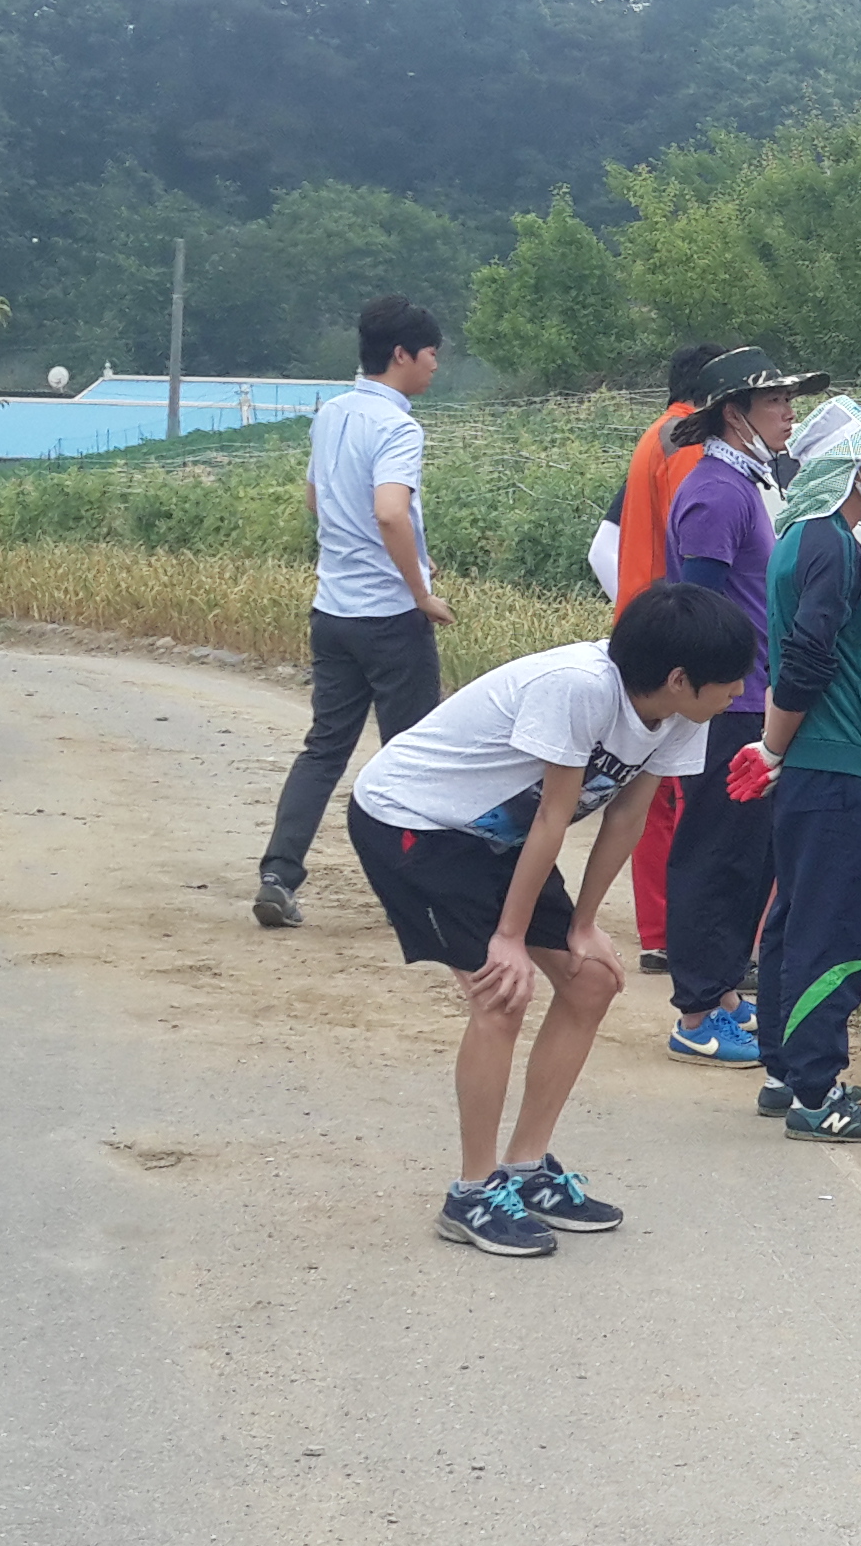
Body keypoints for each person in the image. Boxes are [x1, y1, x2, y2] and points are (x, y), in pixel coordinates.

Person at [343, 580, 757, 1257]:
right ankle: (472, 1192)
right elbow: (552, 816)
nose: (738, 694)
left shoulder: (682, 717)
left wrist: (582, 926)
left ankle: (527, 1169)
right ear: (680, 679)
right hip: (416, 821)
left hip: (495, 838)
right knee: (502, 995)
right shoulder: (580, 688)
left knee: (591, 979)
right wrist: (508, 939)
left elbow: (626, 815)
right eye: (729, 683)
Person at [753, 408, 861, 1145]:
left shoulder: (800, 536)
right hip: (833, 758)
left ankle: (783, 1066)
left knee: (795, 915)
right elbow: (809, 654)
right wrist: (772, 744)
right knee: (833, 926)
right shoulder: (831, 544)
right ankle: (818, 1090)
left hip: (815, 763)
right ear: (852, 472)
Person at [252, 296, 450, 927]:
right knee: (412, 755)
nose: (434, 368)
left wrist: (407, 554)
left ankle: (279, 873)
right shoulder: (399, 426)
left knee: (324, 748)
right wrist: (419, 587)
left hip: (331, 609)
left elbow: (317, 501)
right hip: (390, 617)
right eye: (430, 356)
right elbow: (390, 510)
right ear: (401, 355)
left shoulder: (330, 413)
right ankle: (414, 893)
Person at [655, 345, 825, 1066]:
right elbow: (697, 608)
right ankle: (697, 1010)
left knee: (747, 856)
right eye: (776, 402)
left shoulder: (747, 483)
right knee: (716, 854)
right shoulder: (715, 493)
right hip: (728, 704)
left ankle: (724, 992)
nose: (790, 413)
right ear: (735, 415)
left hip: (753, 696)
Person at [591, 343, 725, 972]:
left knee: (654, 790)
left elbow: (607, 545)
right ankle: (677, 935)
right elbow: (694, 549)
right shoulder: (689, 444)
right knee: (676, 792)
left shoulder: (657, 434)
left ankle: (658, 932)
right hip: (676, 638)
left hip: (645, 628)